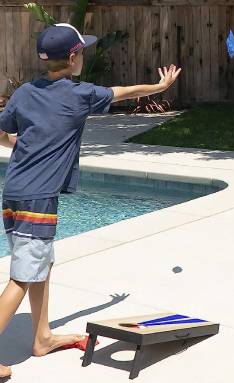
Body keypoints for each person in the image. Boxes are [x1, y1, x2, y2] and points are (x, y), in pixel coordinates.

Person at [0, 23, 181, 378]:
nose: (83, 56)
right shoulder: (79, 93)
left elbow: (3, 130)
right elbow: (122, 91)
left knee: (41, 265)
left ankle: (42, 338)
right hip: (38, 199)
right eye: (82, 51)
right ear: (72, 57)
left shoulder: (23, 93)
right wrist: (160, 87)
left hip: (15, 191)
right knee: (22, 277)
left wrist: (16, 146)